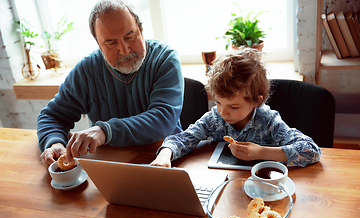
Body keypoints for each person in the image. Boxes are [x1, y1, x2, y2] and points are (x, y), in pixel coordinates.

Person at [38, 0, 184, 168]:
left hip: (164, 159)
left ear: (141, 30)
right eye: (111, 43)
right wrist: (54, 142)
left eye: (130, 36)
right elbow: (52, 116)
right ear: (99, 45)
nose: (124, 49)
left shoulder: (165, 58)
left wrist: (105, 131)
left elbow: (163, 119)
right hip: (108, 166)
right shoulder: (87, 69)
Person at [150, 47, 321, 168]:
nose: (223, 112)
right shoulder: (215, 118)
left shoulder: (268, 121)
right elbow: (184, 138)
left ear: (256, 101)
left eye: (233, 106)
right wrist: (165, 155)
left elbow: (311, 151)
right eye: (218, 102)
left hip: (262, 188)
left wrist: (261, 152)